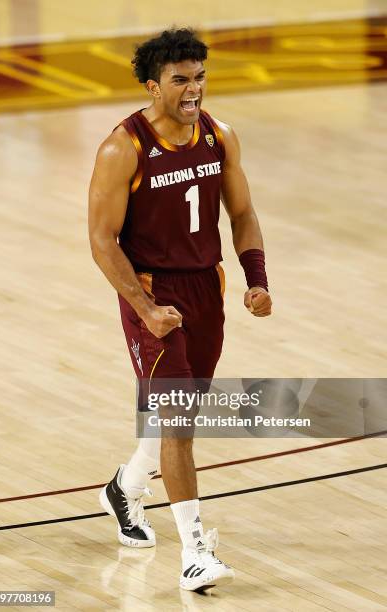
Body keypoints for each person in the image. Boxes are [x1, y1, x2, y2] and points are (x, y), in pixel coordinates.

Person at [88, 27, 272, 592]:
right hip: (152, 294)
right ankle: (194, 553)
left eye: (199, 78)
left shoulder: (220, 135)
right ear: (152, 85)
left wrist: (256, 278)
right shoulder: (125, 146)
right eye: (180, 81)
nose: (194, 90)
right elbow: (101, 239)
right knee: (181, 426)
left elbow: (241, 213)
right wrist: (144, 308)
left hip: (205, 290)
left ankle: (123, 487)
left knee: (180, 413)